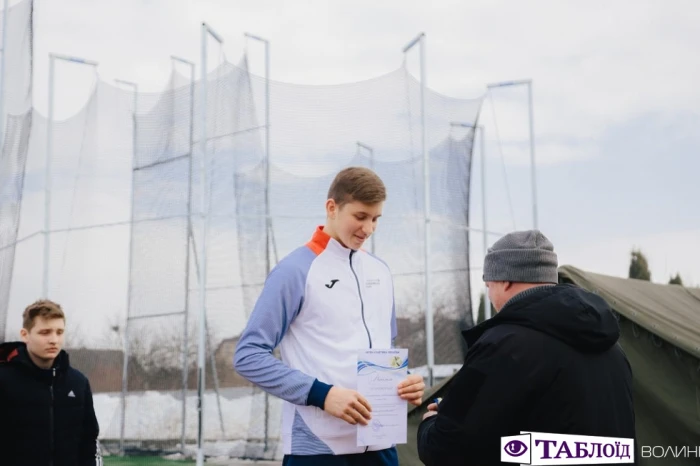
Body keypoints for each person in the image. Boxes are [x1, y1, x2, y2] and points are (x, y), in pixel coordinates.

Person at [234, 166, 424, 466]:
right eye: (360, 217)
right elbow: (248, 356)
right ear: (331, 208)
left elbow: (383, 350)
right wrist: (323, 395)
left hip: (380, 445)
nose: (368, 229)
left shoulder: (380, 271)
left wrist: (404, 382)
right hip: (319, 449)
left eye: (375, 219)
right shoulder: (294, 271)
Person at [417, 230, 635, 465]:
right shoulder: (612, 347)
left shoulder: (501, 346)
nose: (488, 293)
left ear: (504, 279)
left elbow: (447, 448)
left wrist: (431, 423)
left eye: (488, 283)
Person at [0, 299, 102, 466]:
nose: (54, 339)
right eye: (45, 332)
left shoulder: (78, 382)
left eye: (59, 332)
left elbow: (89, 441)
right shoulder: (4, 379)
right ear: (25, 335)